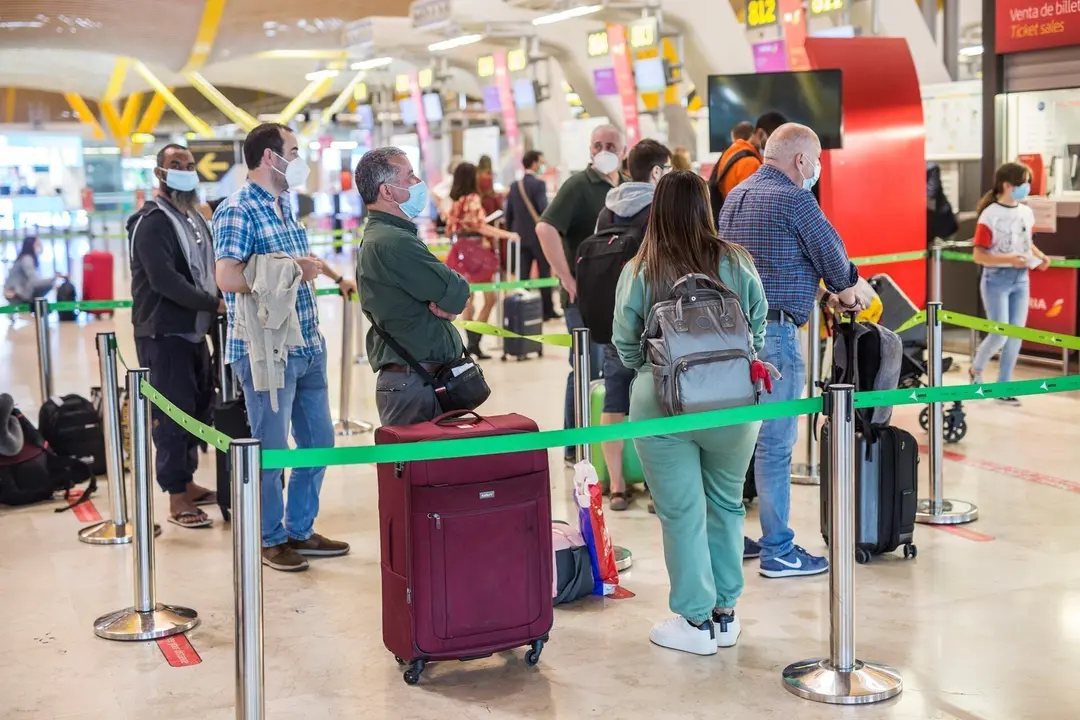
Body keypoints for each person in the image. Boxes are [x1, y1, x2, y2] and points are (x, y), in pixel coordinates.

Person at [612, 170, 767, 655]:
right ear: (706, 206)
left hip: (662, 407)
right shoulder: (736, 261)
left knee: (681, 513)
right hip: (735, 405)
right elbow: (757, 326)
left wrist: (657, 375)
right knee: (727, 505)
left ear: (657, 209)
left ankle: (695, 622)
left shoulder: (641, 268)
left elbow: (624, 344)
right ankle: (726, 614)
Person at [717, 122, 862, 578]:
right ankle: (779, 549)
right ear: (801, 160)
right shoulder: (797, 199)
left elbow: (765, 265)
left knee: (733, 442)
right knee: (776, 444)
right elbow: (835, 263)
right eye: (816, 160)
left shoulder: (736, 197)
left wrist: (816, 292)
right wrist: (846, 291)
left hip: (727, 337)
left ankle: (732, 537)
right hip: (775, 339)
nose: (816, 169)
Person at [214, 123, 356, 573]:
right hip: (265, 350)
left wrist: (327, 275)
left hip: (307, 341)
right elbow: (228, 277)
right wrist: (292, 268)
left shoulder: (283, 205)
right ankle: (269, 536)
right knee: (271, 449)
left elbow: (299, 265)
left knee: (318, 441)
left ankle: (299, 528)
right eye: (294, 150)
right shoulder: (238, 209)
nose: (301, 158)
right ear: (270, 157)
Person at [129, 144, 223, 528]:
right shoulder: (151, 221)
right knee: (172, 415)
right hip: (164, 331)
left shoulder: (192, 218)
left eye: (188, 164)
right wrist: (210, 304)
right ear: (159, 174)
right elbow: (164, 279)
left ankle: (187, 481)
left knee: (196, 408)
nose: (184, 170)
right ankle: (175, 496)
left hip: (193, 331)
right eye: (175, 165)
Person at [354, 147, 472, 426]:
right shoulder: (394, 242)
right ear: (387, 191)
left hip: (420, 379)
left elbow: (451, 298)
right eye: (409, 177)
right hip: (414, 385)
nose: (418, 183)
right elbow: (457, 293)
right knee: (420, 468)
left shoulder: (388, 237)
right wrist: (450, 302)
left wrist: (448, 304)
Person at [536, 124, 628, 462]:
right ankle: (576, 446)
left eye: (611, 145)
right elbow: (545, 227)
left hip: (614, 299)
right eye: (597, 145)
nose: (603, 150)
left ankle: (603, 447)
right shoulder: (578, 185)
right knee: (586, 368)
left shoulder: (624, 187)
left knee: (610, 370)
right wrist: (567, 278)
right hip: (582, 299)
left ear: (623, 151)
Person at [595, 138, 672, 511]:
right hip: (656, 323)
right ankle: (659, 489)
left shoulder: (608, 209)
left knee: (614, 402)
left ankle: (617, 487)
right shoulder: (660, 209)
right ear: (656, 172)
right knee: (660, 402)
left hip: (615, 318)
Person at [970, 162, 1049, 403]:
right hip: (996, 279)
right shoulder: (990, 215)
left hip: (1021, 279)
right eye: (1023, 183)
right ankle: (977, 369)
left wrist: (1040, 255)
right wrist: (1008, 260)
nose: (1027, 187)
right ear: (1007, 185)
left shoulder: (1026, 212)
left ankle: (1004, 387)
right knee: (999, 333)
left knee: (1016, 334)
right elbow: (979, 255)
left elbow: (1026, 242)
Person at [446, 161, 520, 359]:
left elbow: (450, 227)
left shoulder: (454, 201)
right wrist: (506, 234)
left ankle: (471, 344)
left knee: (467, 299)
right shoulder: (472, 198)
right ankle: (474, 342)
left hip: (459, 250)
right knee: (488, 298)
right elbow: (481, 227)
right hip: (476, 251)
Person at [504, 150, 557, 321]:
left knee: (523, 276)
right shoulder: (539, 184)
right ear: (534, 163)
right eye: (541, 162)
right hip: (538, 237)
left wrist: (514, 230)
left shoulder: (514, 185)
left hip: (520, 237)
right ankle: (547, 310)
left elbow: (508, 213)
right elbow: (545, 211)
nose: (542, 166)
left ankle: (523, 310)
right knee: (544, 274)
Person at [709, 112, 787, 215]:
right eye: (774, 140)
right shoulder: (750, 162)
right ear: (760, 133)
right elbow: (752, 207)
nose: (776, 147)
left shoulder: (733, 151)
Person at [3, 237, 62, 304]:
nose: (40, 246)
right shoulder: (27, 259)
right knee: (50, 285)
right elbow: (34, 281)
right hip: (16, 294)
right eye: (38, 244)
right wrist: (53, 279)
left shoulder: (23, 258)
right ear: (31, 245)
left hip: (15, 293)